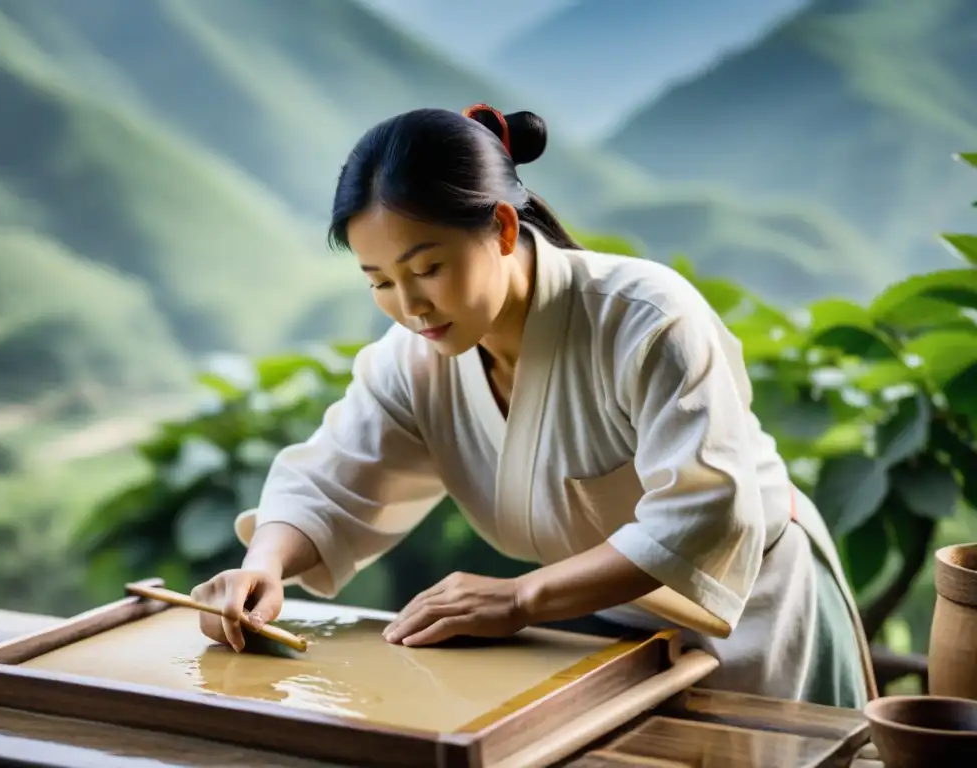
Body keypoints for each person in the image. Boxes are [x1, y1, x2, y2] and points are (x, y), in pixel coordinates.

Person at [190, 103, 876, 708]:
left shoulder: (647, 318)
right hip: (604, 627)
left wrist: (520, 598)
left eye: (428, 268)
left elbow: (701, 514)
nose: (410, 306)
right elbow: (334, 481)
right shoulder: (415, 360)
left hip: (756, 610)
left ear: (504, 228)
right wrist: (264, 568)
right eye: (381, 282)